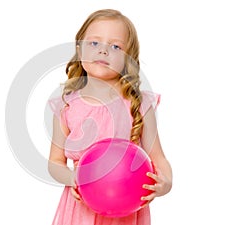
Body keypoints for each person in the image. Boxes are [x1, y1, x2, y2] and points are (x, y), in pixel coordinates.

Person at [48, 9, 172, 225]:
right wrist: (72, 178)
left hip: (125, 208)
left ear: (128, 59)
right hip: (80, 211)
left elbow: (158, 158)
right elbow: (55, 162)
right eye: (94, 43)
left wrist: (166, 183)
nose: (103, 51)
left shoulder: (139, 104)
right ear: (79, 49)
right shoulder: (66, 105)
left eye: (115, 46)